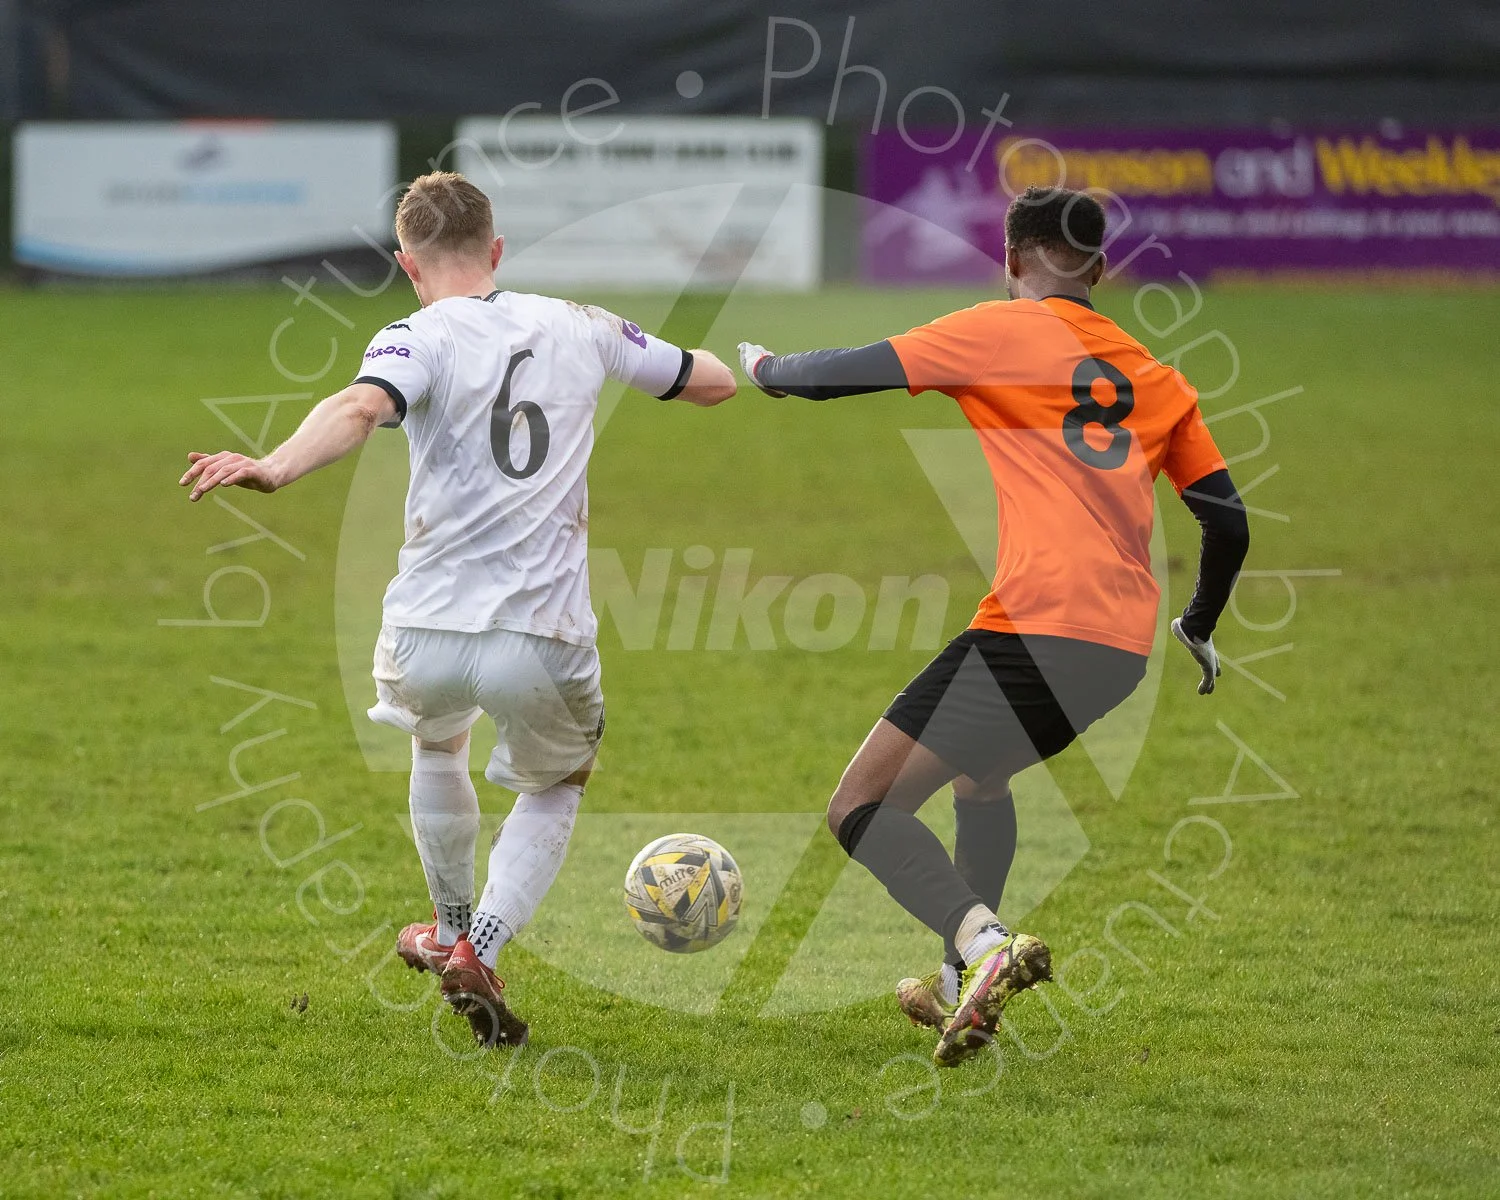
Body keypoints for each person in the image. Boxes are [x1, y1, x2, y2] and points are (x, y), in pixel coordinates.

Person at [180, 171, 736, 1046]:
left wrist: (277, 465)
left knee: (436, 740)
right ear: (498, 251)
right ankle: (479, 947)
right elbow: (709, 384)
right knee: (559, 781)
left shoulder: (415, 335)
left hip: (427, 624)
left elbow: (360, 406)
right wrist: (735, 364)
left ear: (408, 263)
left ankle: (445, 929)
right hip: (541, 631)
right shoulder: (579, 324)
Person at [737, 185, 1248, 1067]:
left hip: (1033, 629)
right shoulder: (1158, 379)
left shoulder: (999, 329)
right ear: (1099, 267)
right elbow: (1228, 522)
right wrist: (1198, 624)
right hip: (1121, 651)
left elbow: (841, 373)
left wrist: (765, 370)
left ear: (1014, 261)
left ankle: (986, 944)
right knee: (981, 782)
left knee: (859, 807)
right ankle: (951, 982)